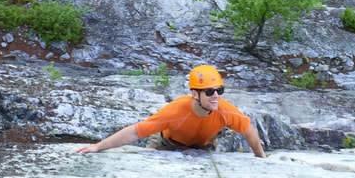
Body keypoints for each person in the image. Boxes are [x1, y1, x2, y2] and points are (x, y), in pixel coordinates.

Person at [76, 65, 266, 157]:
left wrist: (261, 159)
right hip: (165, 144)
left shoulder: (226, 110)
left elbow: (248, 130)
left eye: (219, 91)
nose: (216, 96)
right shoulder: (175, 111)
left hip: (201, 148)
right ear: (194, 94)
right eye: (209, 91)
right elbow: (136, 131)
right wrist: (98, 147)